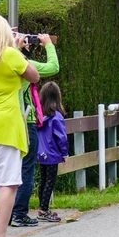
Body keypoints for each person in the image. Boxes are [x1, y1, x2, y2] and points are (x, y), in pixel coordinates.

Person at [0, 14, 40, 237]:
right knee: (8, 183)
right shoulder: (10, 55)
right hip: (5, 126)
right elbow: (34, 76)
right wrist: (16, 47)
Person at [10, 31, 59, 228]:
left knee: (6, 169)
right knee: (26, 169)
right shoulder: (20, 62)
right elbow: (53, 67)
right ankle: (19, 213)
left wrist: (14, 45)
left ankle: (7, 212)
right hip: (24, 119)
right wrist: (47, 44)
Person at [35, 81, 68, 223]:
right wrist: (65, 152)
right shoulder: (56, 117)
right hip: (53, 153)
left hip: (41, 152)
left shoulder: (40, 117)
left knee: (43, 180)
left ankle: (42, 207)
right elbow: (61, 137)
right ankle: (44, 209)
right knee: (50, 180)